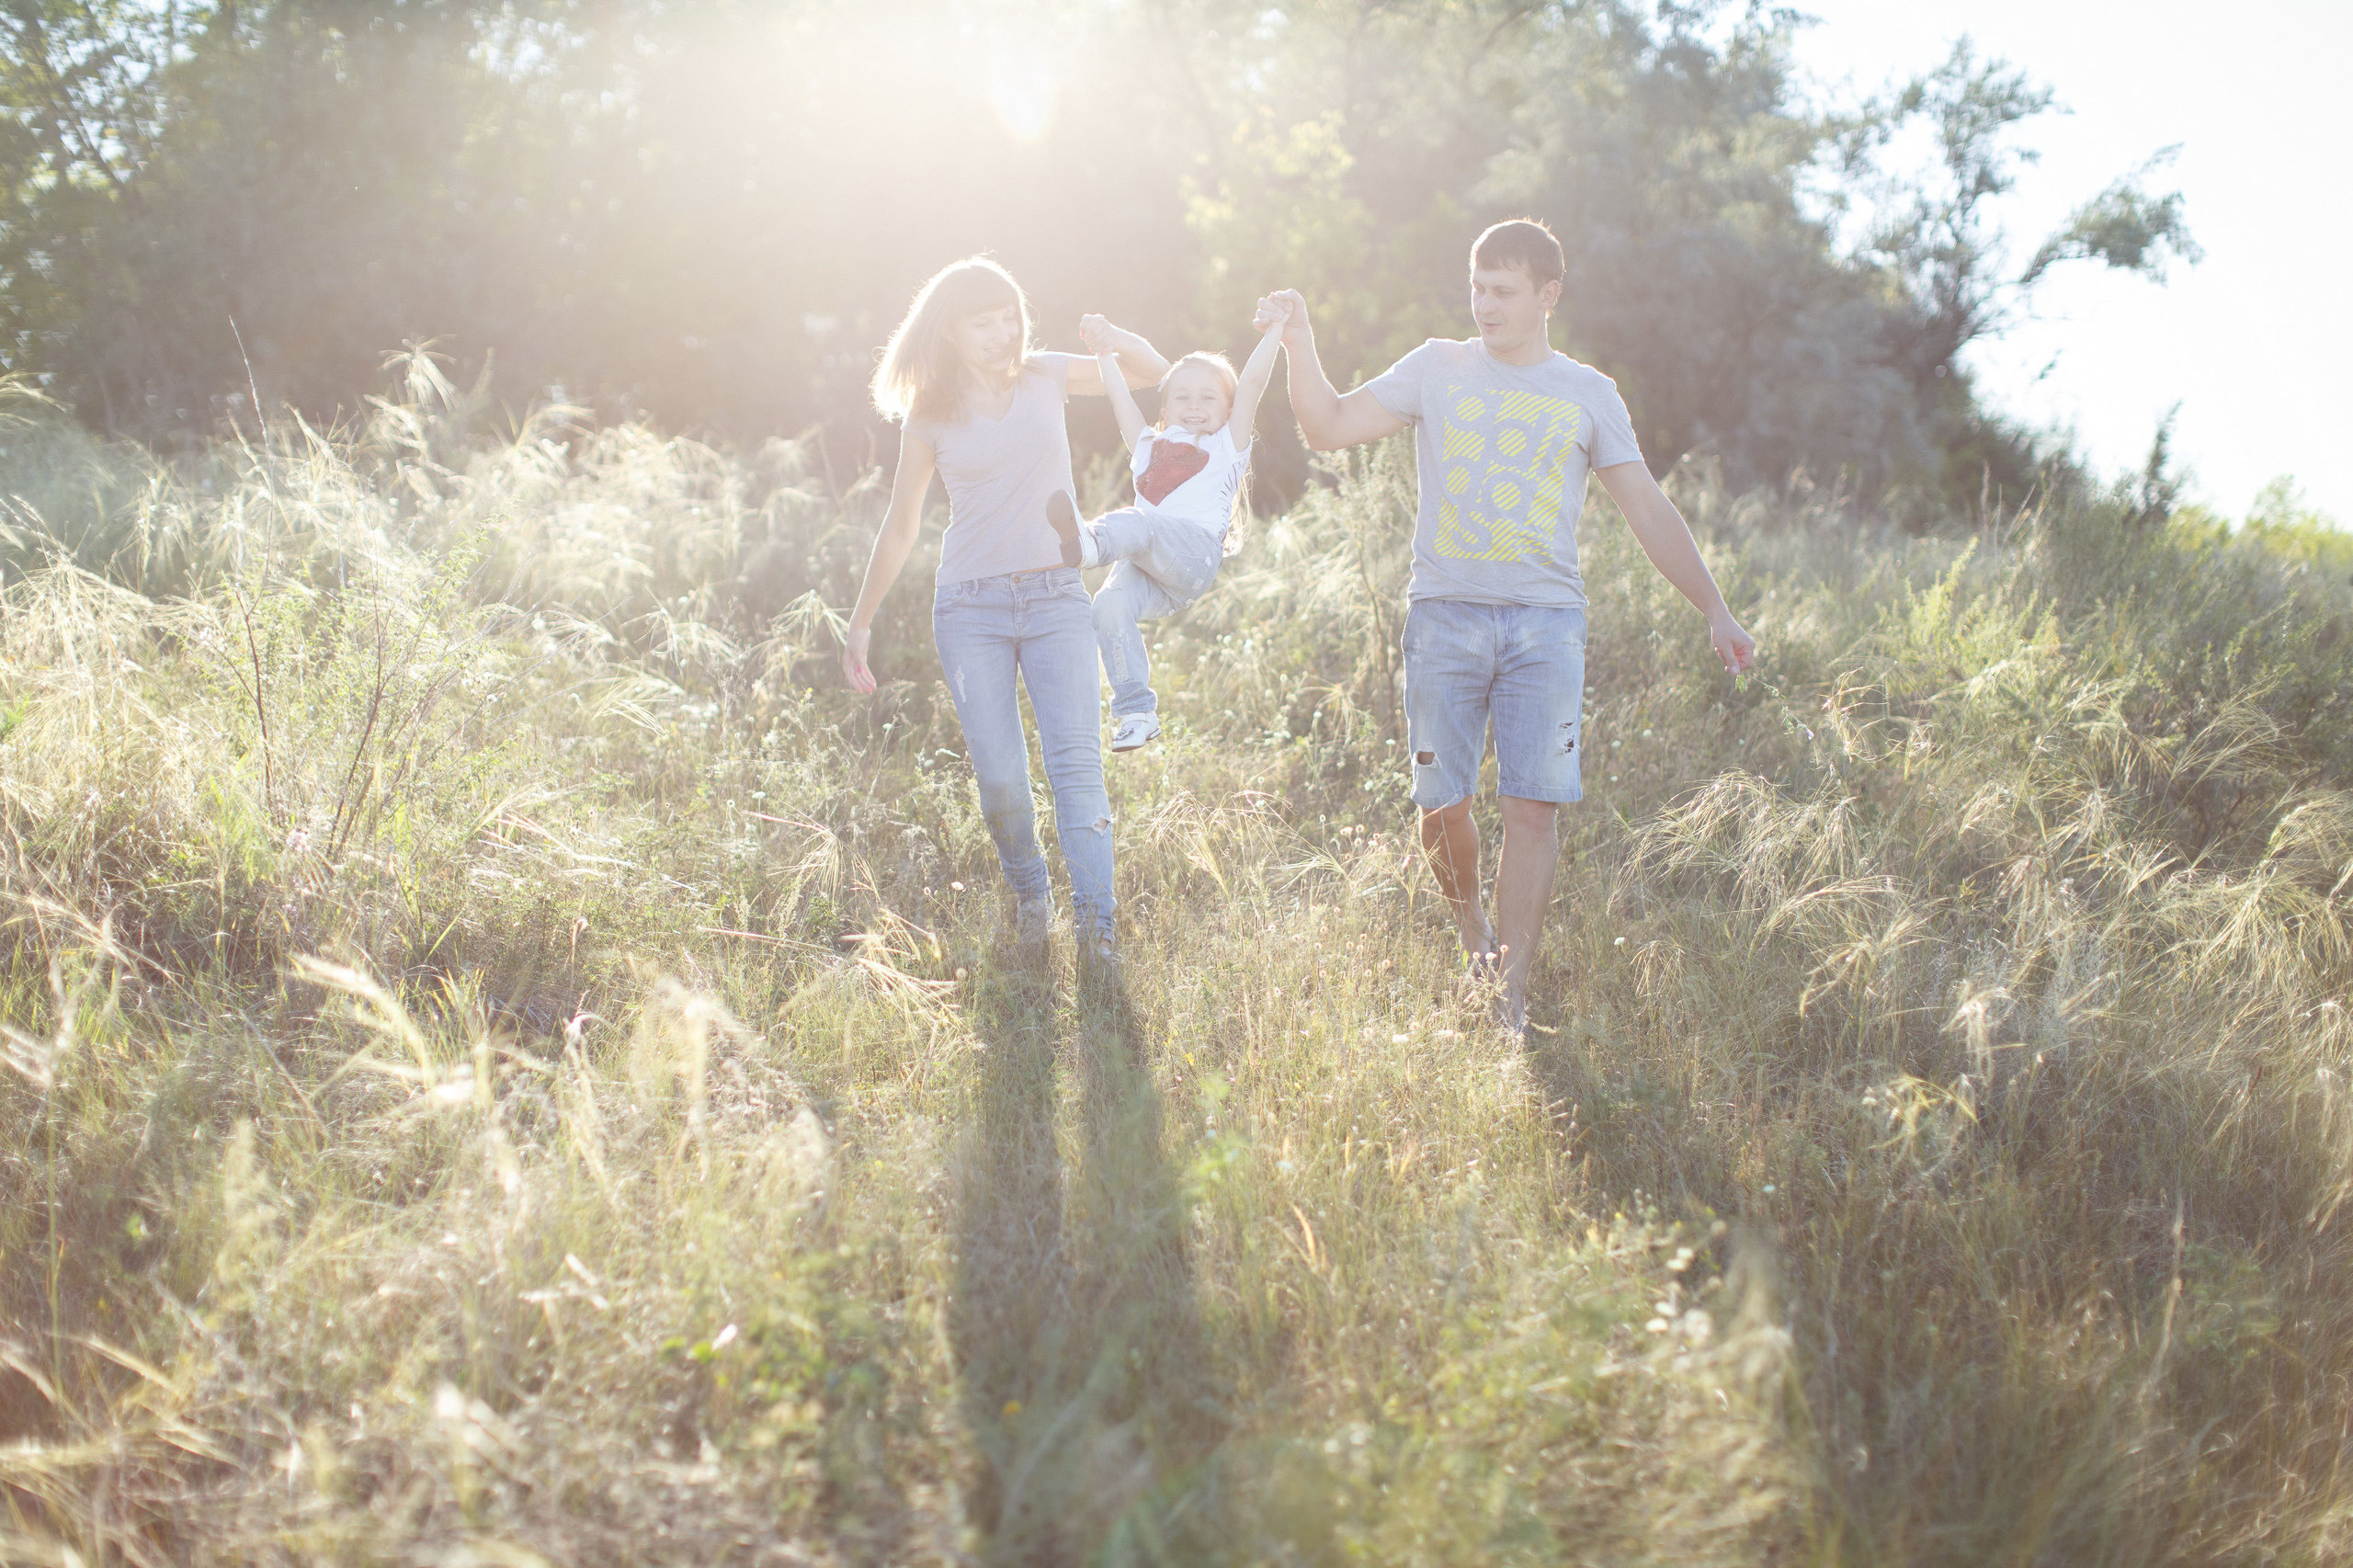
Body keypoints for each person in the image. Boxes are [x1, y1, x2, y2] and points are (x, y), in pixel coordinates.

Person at [1255, 218, 1756, 1034]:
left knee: (1533, 808)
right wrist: (1298, 342)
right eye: (1478, 288)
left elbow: (1647, 507)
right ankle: (1473, 935)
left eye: (1505, 292)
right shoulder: (1437, 367)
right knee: (1440, 804)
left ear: (1548, 295)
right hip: (1444, 618)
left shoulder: (1588, 392)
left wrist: (1715, 608)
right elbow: (1329, 428)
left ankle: (1508, 991)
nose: (1485, 305)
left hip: (1546, 627)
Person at [844, 257, 1169, 960]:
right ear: (951, 333)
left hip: (1056, 598)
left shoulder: (1047, 373)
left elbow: (1151, 370)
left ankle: (1097, 927)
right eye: (981, 323)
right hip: (970, 609)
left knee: (1077, 766)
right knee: (1000, 778)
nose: (1000, 335)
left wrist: (1111, 335)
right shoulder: (929, 414)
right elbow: (902, 525)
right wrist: (862, 620)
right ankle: (1032, 896)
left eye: (1007, 318)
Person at [1044, 304, 1289, 751]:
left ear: (1229, 409)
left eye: (1207, 397)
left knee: (1142, 523)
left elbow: (1252, 382)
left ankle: (1091, 546)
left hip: (1193, 557)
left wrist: (1276, 328)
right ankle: (1136, 713)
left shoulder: (1227, 444)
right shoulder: (1148, 447)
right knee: (1107, 607)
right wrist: (1103, 352)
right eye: (1182, 397)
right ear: (1164, 406)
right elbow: (1119, 398)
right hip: (1152, 570)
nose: (1194, 406)